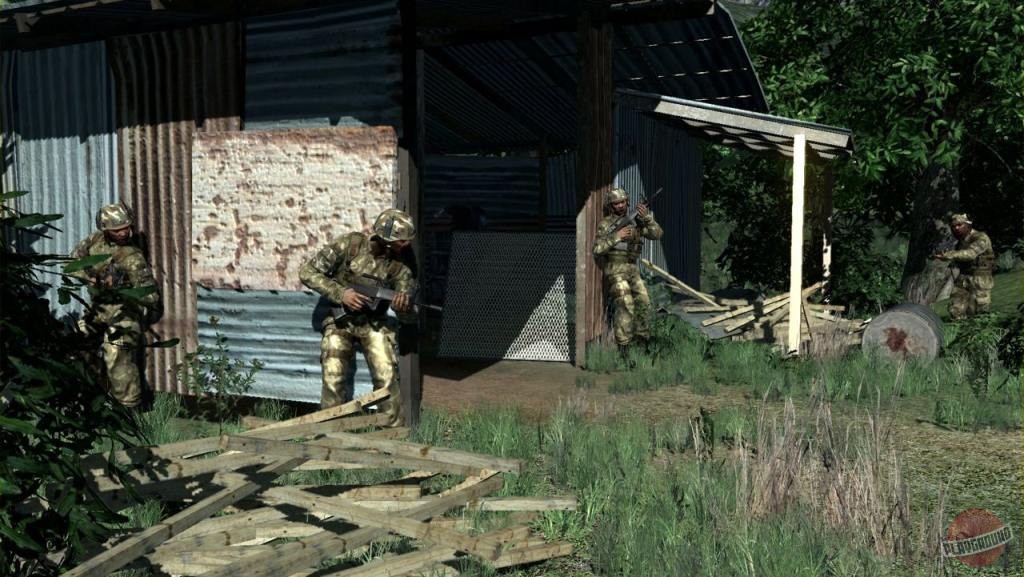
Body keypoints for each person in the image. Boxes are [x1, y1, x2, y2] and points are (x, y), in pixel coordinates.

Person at [299, 208, 416, 425]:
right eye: (402, 240)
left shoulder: (403, 266)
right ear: (386, 239)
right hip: (340, 320)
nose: (407, 245)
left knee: (386, 376)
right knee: (333, 376)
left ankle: (392, 432)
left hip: (374, 323)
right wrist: (342, 294)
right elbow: (307, 272)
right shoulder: (351, 245)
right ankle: (330, 430)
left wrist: (403, 308)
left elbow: (408, 316)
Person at [70, 202, 161, 410]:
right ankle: (92, 399)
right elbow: (71, 264)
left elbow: (151, 297)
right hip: (99, 309)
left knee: (116, 350)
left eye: (126, 228)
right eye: (117, 230)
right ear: (105, 229)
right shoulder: (94, 241)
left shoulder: (132, 257)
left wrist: (123, 288)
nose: (123, 233)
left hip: (125, 312)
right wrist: (93, 278)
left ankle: (128, 408)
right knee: (78, 341)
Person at [592, 187, 663, 363]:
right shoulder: (606, 225)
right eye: (616, 203)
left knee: (644, 303)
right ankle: (624, 351)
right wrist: (617, 236)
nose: (621, 206)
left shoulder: (636, 221)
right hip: (615, 269)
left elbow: (657, 234)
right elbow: (597, 249)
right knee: (626, 305)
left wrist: (646, 218)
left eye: (623, 202)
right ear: (611, 205)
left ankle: (642, 344)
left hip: (632, 269)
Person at [934, 213, 994, 320]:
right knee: (955, 309)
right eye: (953, 226)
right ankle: (960, 328)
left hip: (980, 278)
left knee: (979, 311)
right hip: (963, 278)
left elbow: (970, 254)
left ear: (968, 225)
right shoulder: (960, 242)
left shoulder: (981, 238)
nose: (956, 228)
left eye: (959, 225)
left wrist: (950, 255)